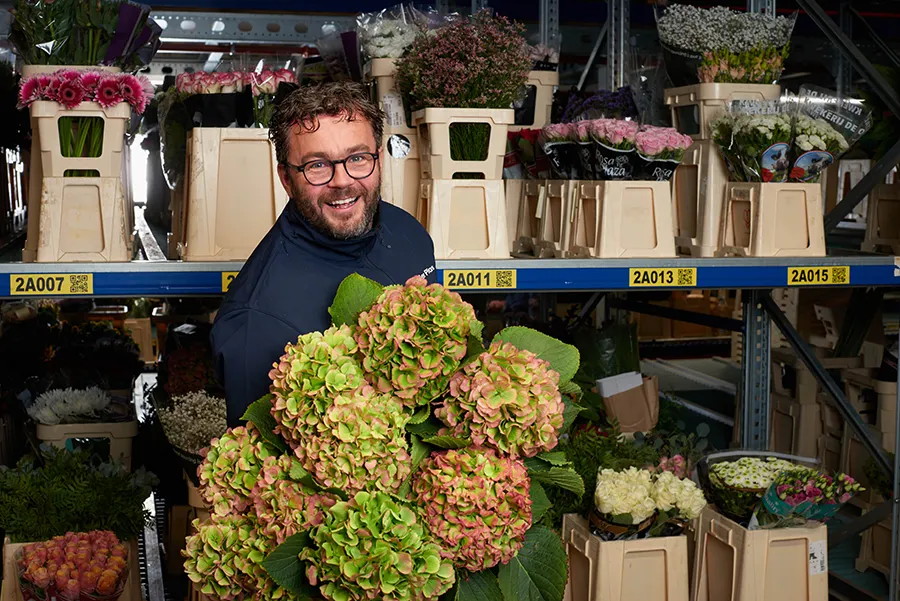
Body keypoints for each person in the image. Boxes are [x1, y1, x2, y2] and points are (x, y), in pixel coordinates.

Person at [211, 81, 437, 425]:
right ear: (286, 179)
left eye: (358, 158)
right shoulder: (255, 323)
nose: (342, 181)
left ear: (378, 158)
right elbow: (267, 472)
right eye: (317, 165)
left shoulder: (411, 233)